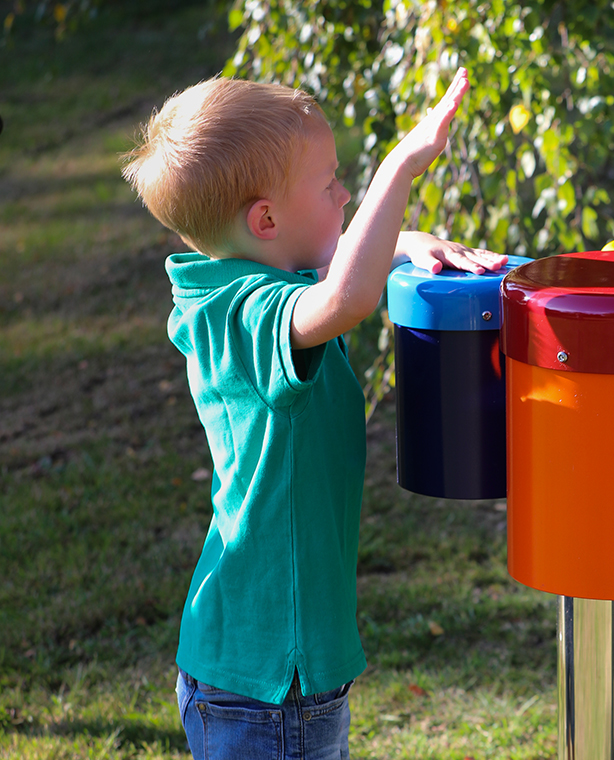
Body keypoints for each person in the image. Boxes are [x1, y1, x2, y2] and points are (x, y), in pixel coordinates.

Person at [121, 68, 506, 759]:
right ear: (266, 220)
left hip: (271, 670)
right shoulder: (240, 313)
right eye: (330, 183)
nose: (346, 192)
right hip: (267, 684)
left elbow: (333, 271)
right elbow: (345, 298)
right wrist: (402, 164)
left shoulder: (258, 275)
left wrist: (405, 242)